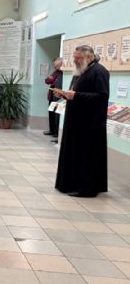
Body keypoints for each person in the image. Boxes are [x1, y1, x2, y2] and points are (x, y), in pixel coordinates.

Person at [54, 45, 109, 198]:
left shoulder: (99, 72)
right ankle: (70, 184)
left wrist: (76, 96)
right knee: (74, 154)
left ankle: (86, 188)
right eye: (74, 57)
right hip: (76, 121)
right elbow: (76, 92)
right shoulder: (81, 71)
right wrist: (65, 95)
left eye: (77, 58)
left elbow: (102, 96)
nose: (75, 60)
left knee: (87, 156)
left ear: (89, 57)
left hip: (90, 123)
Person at [44, 57, 63, 143]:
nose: (55, 67)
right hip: (52, 96)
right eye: (55, 65)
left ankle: (56, 133)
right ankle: (51, 130)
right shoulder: (56, 72)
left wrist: (53, 81)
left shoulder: (63, 73)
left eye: (56, 65)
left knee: (57, 115)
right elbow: (47, 80)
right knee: (51, 113)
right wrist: (52, 80)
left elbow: (54, 81)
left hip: (59, 97)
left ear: (61, 64)